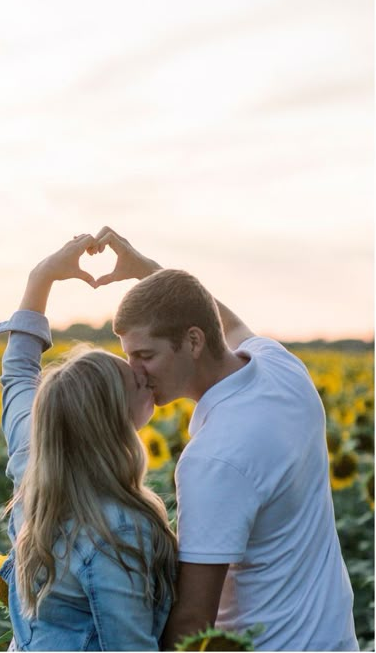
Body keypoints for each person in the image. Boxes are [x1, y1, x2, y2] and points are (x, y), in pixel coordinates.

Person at [87, 226, 359, 652]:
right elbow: (223, 322)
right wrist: (151, 273)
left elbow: (194, 619)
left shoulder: (214, 459)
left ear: (193, 342)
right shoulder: (282, 370)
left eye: (145, 355)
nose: (135, 372)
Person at [0, 235, 177, 652]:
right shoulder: (119, 534)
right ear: (110, 418)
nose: (142, 373)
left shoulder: (35, 465)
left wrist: (42, 278)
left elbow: (19, 373)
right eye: (133, 379)